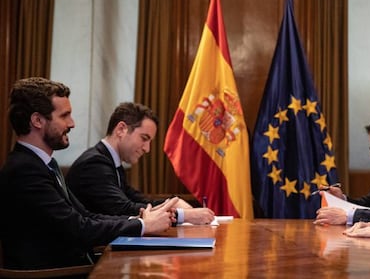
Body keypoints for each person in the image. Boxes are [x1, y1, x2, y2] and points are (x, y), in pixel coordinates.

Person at [0, 77, 178, 270]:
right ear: (37, 120)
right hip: (56, 274)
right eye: (64, 115)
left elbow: (85, 215)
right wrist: (143, 225)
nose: (72, 123)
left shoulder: (44, 164)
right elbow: (78, 228)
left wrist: (140, 221)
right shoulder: (24, 169)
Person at [66, 102, 215, 225]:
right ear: (121, 129)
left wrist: (172, 202)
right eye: (144, 138)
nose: (147, 149)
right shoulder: (94, 164)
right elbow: (123, 209)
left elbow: (137, 199)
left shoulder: (111, 161)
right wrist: (181, 215)